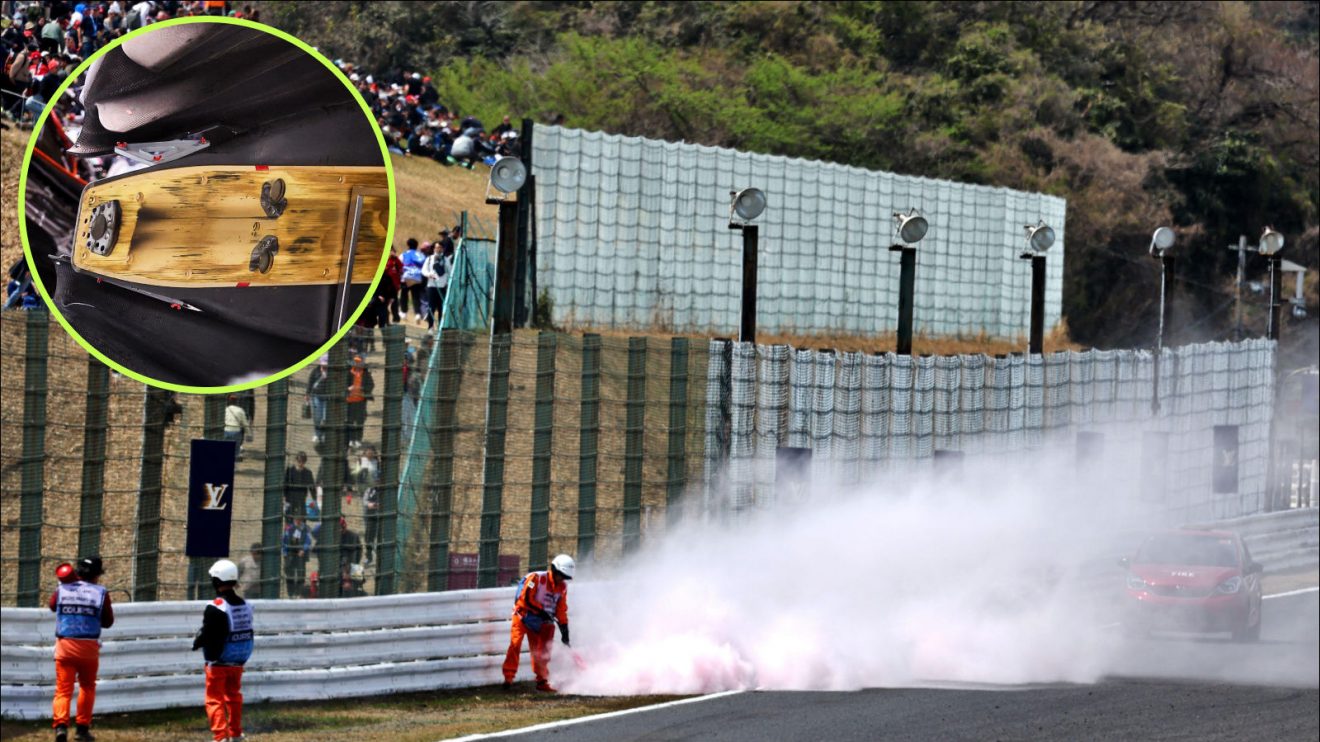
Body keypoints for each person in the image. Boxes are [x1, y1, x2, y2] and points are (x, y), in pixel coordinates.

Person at [49, 557, 113, 742]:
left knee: (63, 690)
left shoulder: (62, 588)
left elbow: (52, 606)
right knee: (87, 687)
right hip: (88, 648)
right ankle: (82, 729)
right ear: (97, 575)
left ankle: (61, 727)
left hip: (65, 646)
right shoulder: (101, 593)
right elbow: (108, 622)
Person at [192, 559, 253, 742]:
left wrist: (197, 643)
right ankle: (235, 734)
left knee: (214, 698)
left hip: (219, 660)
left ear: (217, 581)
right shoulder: (246, 605)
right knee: (234, 696)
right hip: (239, 659)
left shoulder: (216, 606)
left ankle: (220, 736)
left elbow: (209, 633)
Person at [502, 554, 574, 693]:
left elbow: (561, 611)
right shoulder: (536, 578)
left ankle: (542, 681)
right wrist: (541, 611)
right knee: (515, 645)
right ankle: (508, 679)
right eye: (561, 575)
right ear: (554, 570)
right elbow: (526, 599)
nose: (562, 579)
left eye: (565, 577)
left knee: (541, 652)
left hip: (539, 621)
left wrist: (565, 632)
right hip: (522, 617)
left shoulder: (563, 588)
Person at [345, 355, 374, 446]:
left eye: (359, 362)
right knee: (350, 421)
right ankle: (350, 439)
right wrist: (348, 388)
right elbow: (342, 385)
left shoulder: (365, 373)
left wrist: (363, 388)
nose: (357, 364)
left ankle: (358, 439)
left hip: (361, 401)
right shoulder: (348, 373)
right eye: (356, 362)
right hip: (349, 401)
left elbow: (371, 384)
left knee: (360, 421)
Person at [281, 516, 311, 598]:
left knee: (301, 574)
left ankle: (299, 592)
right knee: (289, 574)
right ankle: (290, 593)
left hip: (300, 555)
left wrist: (303, 550)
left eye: (300, 519)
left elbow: (308, 541)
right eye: (297, 519)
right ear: (294, 519)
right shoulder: (289, 528)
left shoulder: (305, 528)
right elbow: (284, 540)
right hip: (290, 554)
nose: (298, 521)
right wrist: (285, 552)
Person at [283, 451, 315, 517]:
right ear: (296, 460)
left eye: (303, 461)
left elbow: (312, 488)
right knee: (289, 518)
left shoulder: (308, 473)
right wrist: (284, 498)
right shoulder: (290, 471)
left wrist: (314, 500)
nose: (301, 463)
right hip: (290, 499)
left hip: (301, 500)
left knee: (302, 518)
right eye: (299, 461)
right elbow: (285, 486)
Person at [223, 394, 249, 462]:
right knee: (235, 452)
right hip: (236, 432)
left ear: (228, 401)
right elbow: (245, 424)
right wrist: (249, 433)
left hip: (226, 431)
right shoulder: (240, 410)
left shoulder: (225, 410)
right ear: (237, 401)